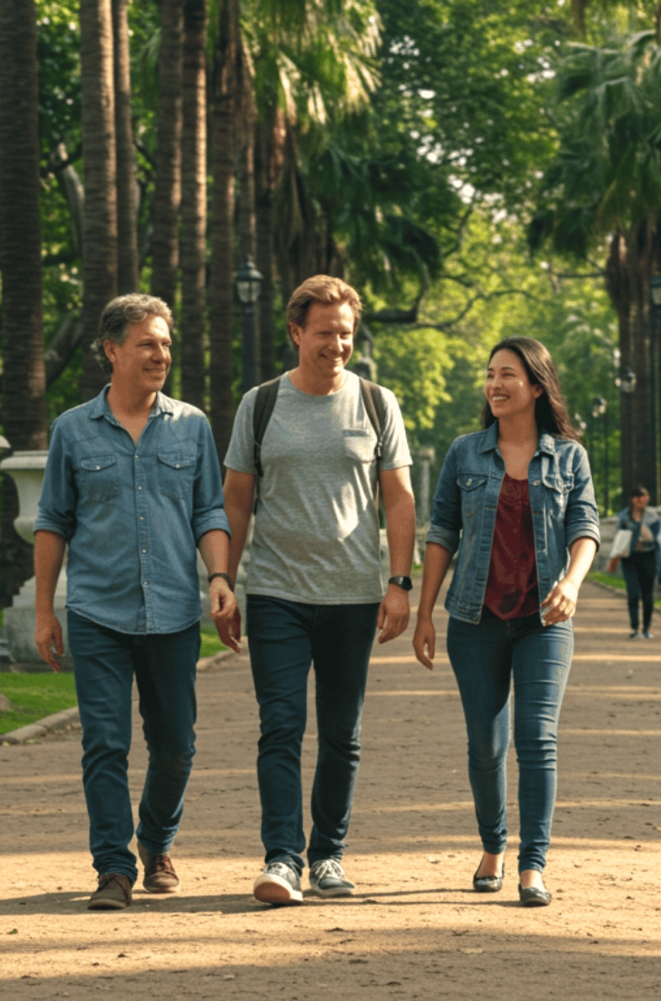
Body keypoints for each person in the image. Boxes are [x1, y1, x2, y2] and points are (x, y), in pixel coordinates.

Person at [34, 294, 236, 911]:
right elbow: (52, 521)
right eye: (148, 343)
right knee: (105, 744)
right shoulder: (72, 430)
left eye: (166, 344)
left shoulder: (191, 425)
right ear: (112, 350)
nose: (161, 355)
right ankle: (114, 868)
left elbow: (209, 510)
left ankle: (155, 840)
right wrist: (44, 610)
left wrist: (219, 575)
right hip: (97, 611)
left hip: (173, 611)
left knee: (176, 745)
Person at [219, 275, 415, 907]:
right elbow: (236, 500)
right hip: (276, 592)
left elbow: (399, 498)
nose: (337, 344)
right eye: (325, 332)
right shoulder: (261, 404)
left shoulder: (377, 403)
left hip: (353, 596)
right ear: (296, 332)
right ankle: (282, 857)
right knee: (280, 725)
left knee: (341, 733)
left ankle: (328, 854)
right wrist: (224, 579)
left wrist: (399, 583)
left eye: (346, 333)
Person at [412, 336, 600, 907]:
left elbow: (585, 528)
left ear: (537, 386)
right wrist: (425, 613)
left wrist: (571, 583)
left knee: (537, 738)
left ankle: (532, 865)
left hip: (545, 619)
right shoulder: (465, 453)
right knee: (486, 745)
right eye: (490, 374)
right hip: (476, 619)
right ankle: (493, 846)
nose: (494, 384)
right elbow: (442, 532)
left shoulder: (569, 457)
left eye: (508, 375)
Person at [608, 485, 661, 638]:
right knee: (632, 593)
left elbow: (657, 539)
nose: (643, 501)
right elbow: (619, 539)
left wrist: (645, 540)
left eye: (645, 498)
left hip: (648, 557)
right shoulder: (624, 517)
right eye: (639, 498)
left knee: (647, 594)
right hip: (630, 559)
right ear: (633, 499)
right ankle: (634, 627)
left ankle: (646, 628)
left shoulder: (653, 517)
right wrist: (614, 559)